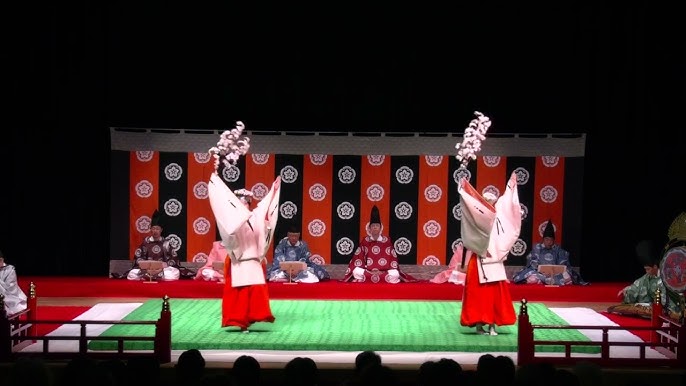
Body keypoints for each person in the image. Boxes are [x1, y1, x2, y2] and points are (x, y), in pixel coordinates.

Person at [207, 121, 281, 332]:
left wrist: (274, 190)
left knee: (255, 292)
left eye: (246, 201)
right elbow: (223, 209)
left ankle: (253, 317)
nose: (244, 204)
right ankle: (238, 320)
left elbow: (265, 207)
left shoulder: (253, 215)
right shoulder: (233, 216)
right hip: (239, 258)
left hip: (253, 258)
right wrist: (215, 179)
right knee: (238, 292)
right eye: (241, 201)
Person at [458, 172, 520, 336]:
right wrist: (463, 187)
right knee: (478, 294)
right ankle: (479, 326)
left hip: (495, 260)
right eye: (487, 201)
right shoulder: (478, 216)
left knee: (494, 295)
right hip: (479, 258)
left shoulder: (499, 215)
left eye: (492, 201)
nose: (490, 204)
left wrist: (511, 186)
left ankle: (492, 326)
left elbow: (508, 204)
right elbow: (467, 202)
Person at [607, 240, 682, 320]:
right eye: (645, 269)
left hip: (670, 309)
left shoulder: (668, 277)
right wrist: (627, 291)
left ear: (655, 267)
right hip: (653, 305)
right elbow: (638, 285)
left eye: (648, 269)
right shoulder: (649, 276)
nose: (646, 272)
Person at [340, 205, 417, 283]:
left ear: (380, 228)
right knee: (356, 271)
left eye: (377, 226)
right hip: (368, 270)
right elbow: (358, 259)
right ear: (369, 228)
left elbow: (393, 259)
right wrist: (370, 269)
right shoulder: (365, 241)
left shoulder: (386, 241)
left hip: (384, 271)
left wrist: (382, 270)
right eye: (373, 226)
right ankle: (376, 278)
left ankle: (367, 279)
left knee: (395, 273)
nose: (375, 227)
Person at [511, 219, 588, 285]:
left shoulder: (558, 249)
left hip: (556, 274)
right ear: (543, 239)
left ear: (553, 240)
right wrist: (542, 271)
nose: (549, 242)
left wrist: (554, 272)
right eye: (547, 239)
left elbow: (563, 264)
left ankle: (546, 281)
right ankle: (549, 281)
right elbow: (532, 264)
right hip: (540, 273)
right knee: (532, 278)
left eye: (551, 240)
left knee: (567, 276)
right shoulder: (537, 248)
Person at [126, 210, 181, 281]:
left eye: (157, 229)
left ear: (161, 230)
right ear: (150, 230)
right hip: (147, 269)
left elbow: (173, 260)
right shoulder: (145, 243)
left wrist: (160, 268)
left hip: (161, 270)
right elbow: (138, 258)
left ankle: (150, 276)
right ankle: (154, 276)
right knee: (132, 273)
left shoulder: (166, 243)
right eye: (153, 228)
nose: (155, 231)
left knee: (175, 273)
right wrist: (147, 268)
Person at [0, 250, 28, 315]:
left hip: (10, 297)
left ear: (2, 260)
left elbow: (11, 289)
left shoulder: (9, 269)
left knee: (12, 308)